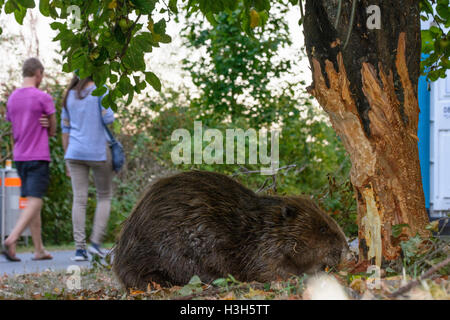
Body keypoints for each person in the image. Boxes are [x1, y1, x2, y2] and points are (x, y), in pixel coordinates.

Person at [2, 57, 56, 262]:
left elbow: (14, 121)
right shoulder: (43, 98)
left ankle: (39, 249)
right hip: (38, 155)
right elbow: (52, 131)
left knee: (33, 201)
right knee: (36, 199)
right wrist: (47, 122)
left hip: (20, 156)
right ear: (38, 73)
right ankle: (12, 238)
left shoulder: (12, 98)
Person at [61, 75, 115, 261]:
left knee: (79, 199)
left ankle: (79, 249)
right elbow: (108, 118)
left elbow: (65, 129)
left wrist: (67, 157)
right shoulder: (101, 90)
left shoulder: (69, 94)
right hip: (98, 151)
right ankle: (95, 244)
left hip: (74, 152)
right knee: (104, 196)